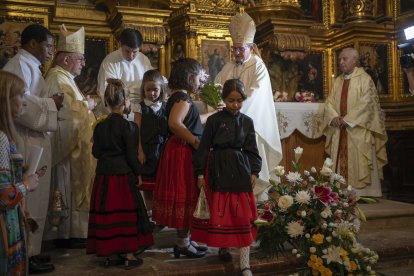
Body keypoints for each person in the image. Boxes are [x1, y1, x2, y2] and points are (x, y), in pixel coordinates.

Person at [3, 23, 61, 273]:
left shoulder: (31, 66)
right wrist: (51, 104)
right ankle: (26, 251)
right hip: (24, 138)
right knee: (28, 196)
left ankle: (33, 250)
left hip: (35, 137)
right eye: (48, 45)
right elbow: (20, 103)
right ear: (33, 44)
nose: (50, 51)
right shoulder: (17, 65)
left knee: (37, 198)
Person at [192, 79, 261, 276]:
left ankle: (245, 264)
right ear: (223, 99)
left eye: (239, 101)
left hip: (240, 171)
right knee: (222, 212)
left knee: (242, 214)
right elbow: (204, 148)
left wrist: (254, 171)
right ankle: (223, 247)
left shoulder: (247, 122)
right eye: (231, 100)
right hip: (218, 170)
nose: (235, 105)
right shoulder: (214, 121)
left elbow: (252, 150)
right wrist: (199, 173)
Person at [152, 58, 217, 259]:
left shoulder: (181, 97)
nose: (200, 81)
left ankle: (185, 240)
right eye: (198, 77)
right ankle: (181, 242)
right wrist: (196, 143)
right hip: (182, 151)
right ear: (189, 77)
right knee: (186, 194)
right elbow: (174, 123)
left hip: (178, 149)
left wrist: (213, 113)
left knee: (188, 196)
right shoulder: (183, 99)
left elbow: (191, 120)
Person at [215, 12, 282, 201]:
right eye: (234, 48)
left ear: (251, 47)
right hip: (229, 125)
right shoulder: (228, 67)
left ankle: (256, 200)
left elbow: (256, 93)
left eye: (240, 49)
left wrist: (232, 106)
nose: (236, 53)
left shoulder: (258, 66)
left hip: (251, 124)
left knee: (253, 160)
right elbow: (217, 85)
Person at [86, 79, 153, 269]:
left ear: (106, 102)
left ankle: (110, 254)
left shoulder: (99, 127)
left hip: (104, 177)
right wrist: (138, 174)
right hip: (123, 177)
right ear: (125, 101)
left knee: (108, 214)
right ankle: (129, 255)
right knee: (126, 216)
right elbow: (132, 156)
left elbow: (96, 153)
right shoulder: (129, 127)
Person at [43, 25, 96, 249]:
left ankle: (76, 231)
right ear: (66, 60)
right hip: (68, 153)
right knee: (67, 187)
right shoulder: (57, 78)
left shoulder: (64, 77)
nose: (84, 64)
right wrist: (88, 105)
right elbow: (67, 114)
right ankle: (68, 233)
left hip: (76, 147)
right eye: (80, 59)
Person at [323, 47, 388, 197]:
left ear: (354, 60)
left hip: (357, 130)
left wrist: (347, 119)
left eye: (344, 59)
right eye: (340, 59)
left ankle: (364, 193)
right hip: (340, 130)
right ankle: (340, 193)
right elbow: (329, 103)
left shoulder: (365, 79)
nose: (341, 62)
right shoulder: (338, 81)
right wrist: (334, 117)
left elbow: (367, 104)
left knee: (361, 161)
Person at [0, 70, 39, 275]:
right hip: (5, 225)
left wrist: (19, 172)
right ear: (6, 98)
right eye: (21, 95)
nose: (24, 102)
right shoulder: (1, 138)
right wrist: (26, 185)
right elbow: (4, 197)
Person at [97, 28, 152, 121]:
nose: (131, 56)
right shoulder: (110, 61)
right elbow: (106, 92)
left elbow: (151, 82)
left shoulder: (144, 60)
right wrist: (120, 111)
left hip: (140, 111)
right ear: (120, 45)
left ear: (140, 47)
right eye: (127, 51)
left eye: (135, 52)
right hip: (118, 111)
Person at [135, 69, 167, 219]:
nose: (152, 93)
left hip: (162, 150)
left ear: (161, 89)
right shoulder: (140, 107)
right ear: (143, 89)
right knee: (148, 185)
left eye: (155, 90)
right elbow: (137, 130)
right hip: (147, 150)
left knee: (162, 183)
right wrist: (140, 150)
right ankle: (149, 213)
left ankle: (160, 214)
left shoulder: (166, 107)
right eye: (148, 90)